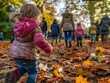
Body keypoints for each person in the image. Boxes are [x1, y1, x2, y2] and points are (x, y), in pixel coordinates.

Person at [5, 4, 53, 83]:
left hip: (15, 53)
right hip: (28, 55)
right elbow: (39, 41)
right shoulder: (34, 27)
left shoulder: (17, 24)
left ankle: (14, 74)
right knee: (33, 72)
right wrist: (48, 48)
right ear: (35, 16)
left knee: (26, 66)